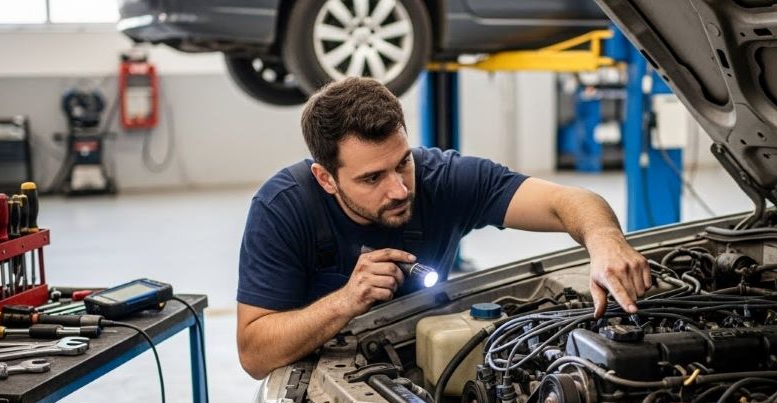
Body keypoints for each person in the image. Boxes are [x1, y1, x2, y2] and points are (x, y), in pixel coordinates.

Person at [237, 77, 651, 379]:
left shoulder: (444, 178)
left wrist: (604, 240)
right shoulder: (283, 209)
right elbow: (254, 354)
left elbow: (569, 202)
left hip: (429, 362)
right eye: (371, 178)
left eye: (402, 162)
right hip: (324, 386)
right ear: (326, 178)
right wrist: (344, 301)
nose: (399, 189)